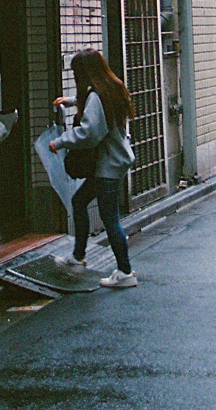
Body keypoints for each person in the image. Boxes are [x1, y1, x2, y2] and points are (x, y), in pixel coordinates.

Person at [49, 49, 137, 288]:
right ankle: (78, 257)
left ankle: (125, 272)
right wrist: (71, 101)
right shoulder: (113, 87)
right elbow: (96, 105)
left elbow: (90, 132)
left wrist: (60, 142)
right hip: (115, 160)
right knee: (80, 202)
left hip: (108, 165)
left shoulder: (97, 96)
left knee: (110, 218)